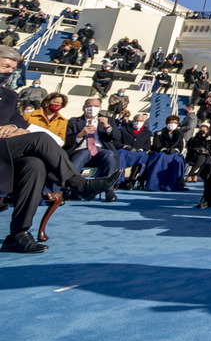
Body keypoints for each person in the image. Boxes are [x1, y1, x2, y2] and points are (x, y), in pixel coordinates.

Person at [0, 48, 120, 253]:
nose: (9, 72)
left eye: (12, 68)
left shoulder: (10, 95)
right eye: (5, 66)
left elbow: (19, 123)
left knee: (34, 165)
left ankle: (18, 234)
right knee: (40, 138)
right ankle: (80, 185)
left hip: (5, 150)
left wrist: (11, 128)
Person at [63, 98, 122, 202]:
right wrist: (80, 135)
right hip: (81, 149)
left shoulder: (109, 120)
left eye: (95, 106)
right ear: (84, 108)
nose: (92, 109)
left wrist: (107, 127)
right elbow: (66, 140)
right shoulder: (73, 121)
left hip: (100, 151)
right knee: (83, 154)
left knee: (110, 155)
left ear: (100, 108)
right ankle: (71, 187)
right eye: (89, 106)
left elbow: (117, 137)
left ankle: (109, 190)